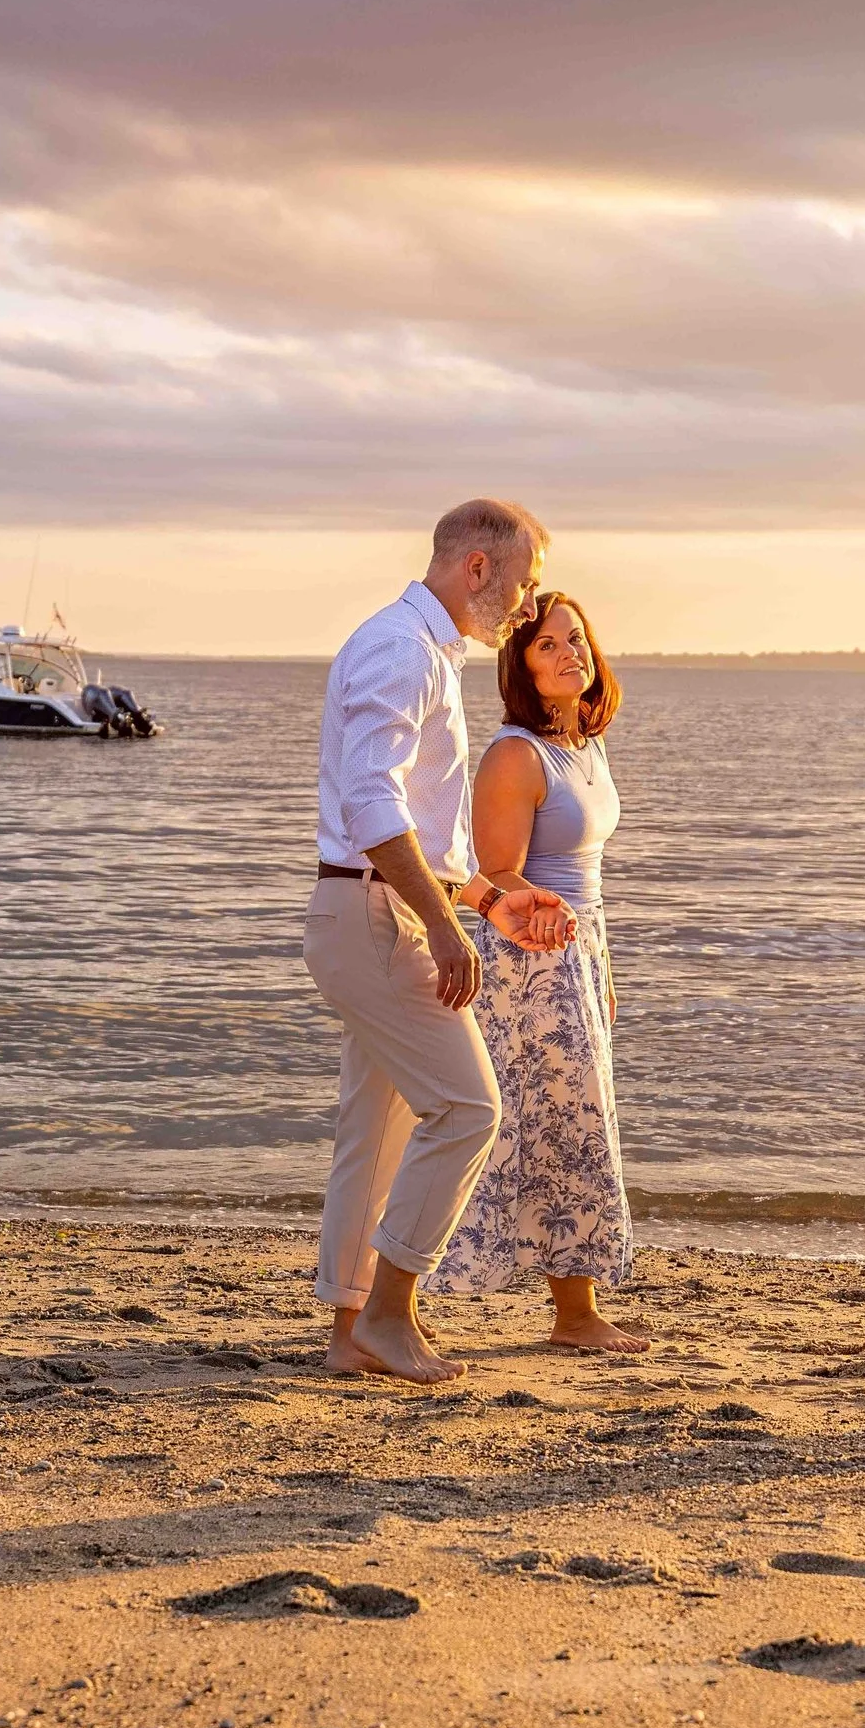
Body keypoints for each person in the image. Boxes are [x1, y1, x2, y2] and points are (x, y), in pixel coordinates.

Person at [302, 499, 579, 1385]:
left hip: (372, 907)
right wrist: (445, 924)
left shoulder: (420, 650)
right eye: (525, 580)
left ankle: (350, 1332)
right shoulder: (400, 649)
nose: (529, 604)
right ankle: (388, 1313)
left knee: (376, 1131)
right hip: (375, 914)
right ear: (477, 568)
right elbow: (371, 806)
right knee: (468, 1110)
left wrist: (483, 902)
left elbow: (409, 825)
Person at [427, 593, 645, 1351]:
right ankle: (572, 1316)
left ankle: (574, 1312)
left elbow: (592, 875)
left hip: (582, 952)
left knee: (575, 1128)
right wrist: (563, 944)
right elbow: (495, 872)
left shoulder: (586, 741)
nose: (567, 654)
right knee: (553, 1129)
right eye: (546, 645)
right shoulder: (515, 753)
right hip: (534, 960)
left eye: (575, 640)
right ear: (519, 664)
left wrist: (603, 969)